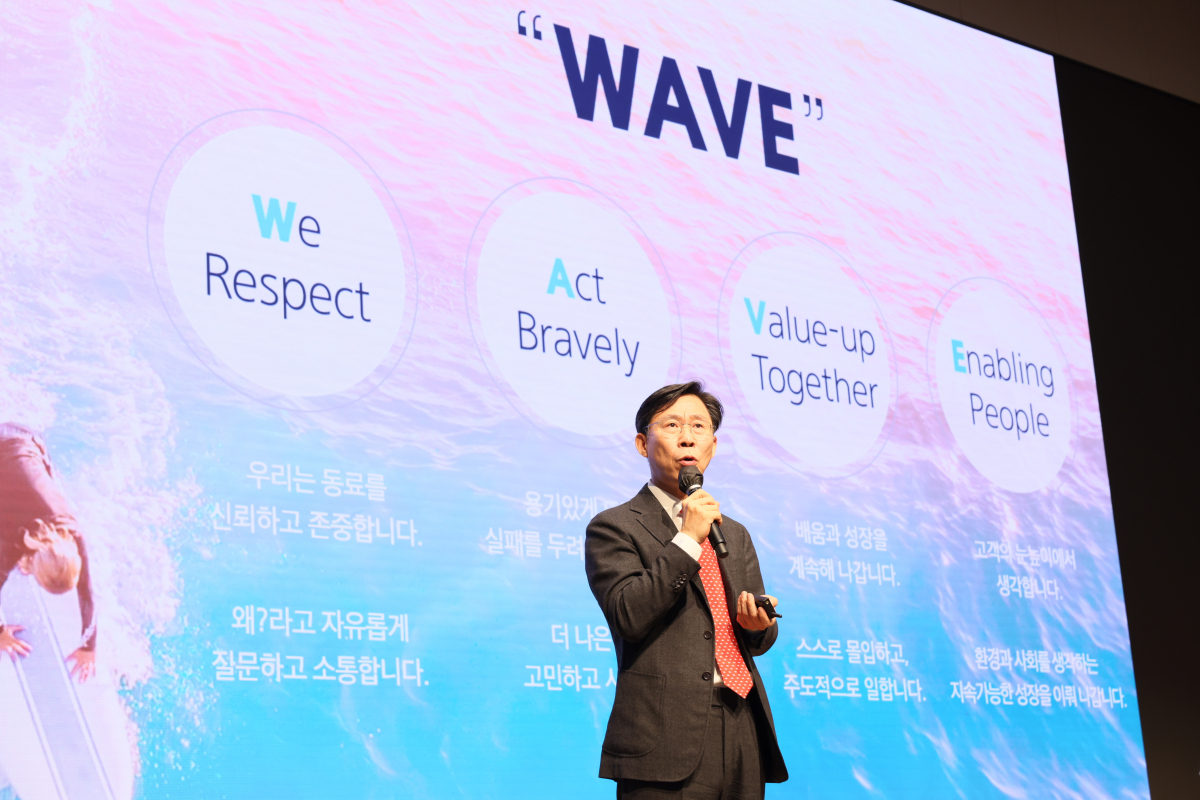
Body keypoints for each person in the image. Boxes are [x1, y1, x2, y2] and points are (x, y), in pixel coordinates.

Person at [585, 382, 788, 799]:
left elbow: (757, 638)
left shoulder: (733, 532)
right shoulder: (614, 526)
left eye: (699, 426)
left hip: (742, 721)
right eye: (672, 425)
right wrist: (687, 539)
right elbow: (629, 615)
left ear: (713, 445)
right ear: (643, 444)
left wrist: (758, 625)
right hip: (664, 734)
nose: (687, 437)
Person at [0, 423, 96, 681]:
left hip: (24, 436)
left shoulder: (73, 533)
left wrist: (89, 647)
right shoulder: (10, 544)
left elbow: (86, 589)